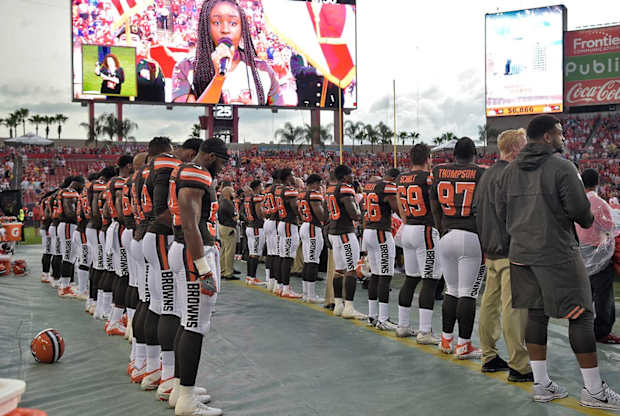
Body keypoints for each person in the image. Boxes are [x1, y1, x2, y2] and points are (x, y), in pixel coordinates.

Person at [496, 115, 620, 409]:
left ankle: (541, 384)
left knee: (536, 315)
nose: (564, 138)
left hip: (521, 255)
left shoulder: (509, 171)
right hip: (556, 254)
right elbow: (581, 212)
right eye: (560, 133)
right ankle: (593, 390)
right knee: (581, 315)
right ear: (549, 136)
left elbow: (502, 213)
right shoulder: (562, 167)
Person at [167, 138, 228, 416]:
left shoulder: (186, 170)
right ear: (213, 157)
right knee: (195, 325)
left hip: (187, 250)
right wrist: (203, 267)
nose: (224, 168)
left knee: (187, 321)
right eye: (224, 162)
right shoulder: (195, 172)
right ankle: (187, 399)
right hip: (194, 252)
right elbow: (190, 223)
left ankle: (181, 389)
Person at [142, 138, 202, 394]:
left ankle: (146, 364)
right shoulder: (167, 164)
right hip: (161, 237)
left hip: (150, 236)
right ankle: (166, 375)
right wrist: (183, 226)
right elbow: (159, 209)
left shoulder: (149, 168)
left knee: (153, 302)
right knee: (169, 308)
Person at [472, 129, 533, 381]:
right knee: (513, 308)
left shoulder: (485, 175)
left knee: (489, 304)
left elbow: (477, 210)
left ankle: (488, 355)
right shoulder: (513, 174)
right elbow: (517, 214)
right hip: (510, 249)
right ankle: (519, 364)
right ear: (517, 148)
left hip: (490, 248)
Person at [430, 137, 486, 359]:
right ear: (474, 154)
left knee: (451, 290)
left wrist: (440, 227)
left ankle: (446, 340)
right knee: (468, 293)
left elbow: (433, 201)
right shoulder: (481, 172)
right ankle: (464, 345)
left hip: (447, 233)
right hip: (470, 235)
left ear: (454, 154)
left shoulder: (439, 171)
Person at [172, 0, 284, 105]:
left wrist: (252, 113)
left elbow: (279, 116)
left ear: (242, 29)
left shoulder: (263, 70)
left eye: (233, 23)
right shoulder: (185, 68)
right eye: (216, 22)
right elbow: (187, 117)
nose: (225, 30)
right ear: (205, 27)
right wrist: (218, 79)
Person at [395, 143, 442, 344]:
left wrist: (406, 222)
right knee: (430, 280)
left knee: (411, 278)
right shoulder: (428, 178)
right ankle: (424, 331)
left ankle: (403, 325)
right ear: (427, 158)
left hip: (409, 229)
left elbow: (399, 202)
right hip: (425, 229)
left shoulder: (401, 178)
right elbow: (435, 203)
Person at [575, 169, 619, 344]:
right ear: (597, 182)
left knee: (587, 294)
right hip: (598, 254)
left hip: (581, 254)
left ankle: (585, 328)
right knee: (603, 296)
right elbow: (609, 227)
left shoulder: (576, 202)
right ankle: (601, 331)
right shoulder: (598, 203)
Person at [326, 165, 366, 320]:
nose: (353, 177)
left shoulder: (331, 189)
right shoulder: (346, 189)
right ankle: (349, 306)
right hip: (344, 233)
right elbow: (354, 214)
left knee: (339, 270)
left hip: (334, 233)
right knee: (351, 269)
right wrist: (361, 210)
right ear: (344, 177)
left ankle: (338, 305)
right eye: (351, 174)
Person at [363, 168, 400, 330]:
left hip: (369, 230)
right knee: (385, 276)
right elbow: (397, 208)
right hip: (381, 232)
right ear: (393, 178)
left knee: (376, 275)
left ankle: (373, 315)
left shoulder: (370, 186)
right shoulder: (387, 186)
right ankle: (383, 318)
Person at [298, 174, 327, 303]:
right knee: (312, 262)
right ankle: (311, 295)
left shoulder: (301, 194)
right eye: (319, 184)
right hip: (312, 228)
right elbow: (321, 216)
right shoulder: (314, 195)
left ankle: (306, 293)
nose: (320, 187)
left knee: (308, 260)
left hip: (306, 225)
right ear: (314, 183)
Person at [243, 180, 267, 286]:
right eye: (261, 186)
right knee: (255, 254)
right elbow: (259, 212)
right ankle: (252, 277)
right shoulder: (257, 197)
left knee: (252, 252)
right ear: (257, 187)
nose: (262, 187)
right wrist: (264, 218)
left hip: (250, 226)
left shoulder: (248, 199)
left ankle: (249, 276)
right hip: (257, 227)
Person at [218, 186, 238, 280]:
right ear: (227, 193)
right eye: (232, 191)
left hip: (222, 227)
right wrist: (238, 217)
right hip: (228, 227)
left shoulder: (221, 202)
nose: (234, 193)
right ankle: (228, 273)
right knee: (229, 251)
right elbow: (234, 217)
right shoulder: (228, 203)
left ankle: (222, 270)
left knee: (224, 250)